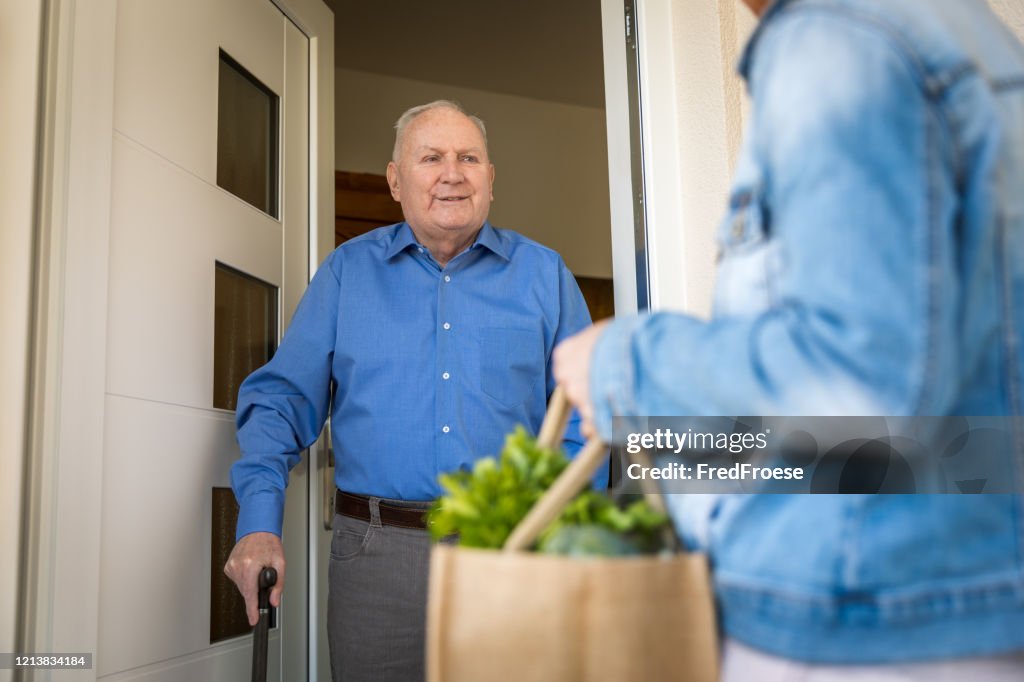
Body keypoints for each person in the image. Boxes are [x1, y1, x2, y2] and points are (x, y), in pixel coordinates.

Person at [554, 0, 1024, 679]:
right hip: (946, 605)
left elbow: (858, 385)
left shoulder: (838, 36)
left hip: (862, 619)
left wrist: (624, 365)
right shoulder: (959, 32)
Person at [225, 100, 596, 681]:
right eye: (431, 158)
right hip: (375, 558)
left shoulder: (543, 275)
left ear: (490, 180)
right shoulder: (347, 273)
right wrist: (258, 521)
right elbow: (281, 402)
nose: (453, 172)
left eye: (468, 157)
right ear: (395, 180)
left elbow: (587, 418)